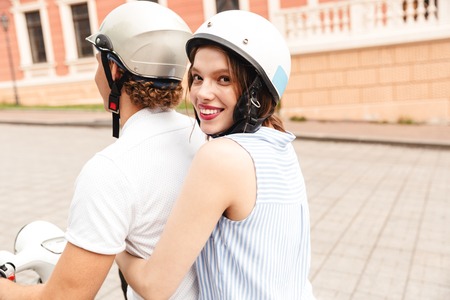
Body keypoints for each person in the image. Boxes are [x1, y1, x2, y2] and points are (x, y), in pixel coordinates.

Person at [0, 2, 203, 299]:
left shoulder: (111, 170)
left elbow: (66, 297)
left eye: (98, 61)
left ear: (113, 69)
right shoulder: (205, 137)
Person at [116, 9, 315, 300]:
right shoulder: (280, 144)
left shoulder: (221, 157)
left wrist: (113, 238)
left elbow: (154, 286)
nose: (202, 93)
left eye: (223, 79)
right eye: (197, 77)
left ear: (256, 91)